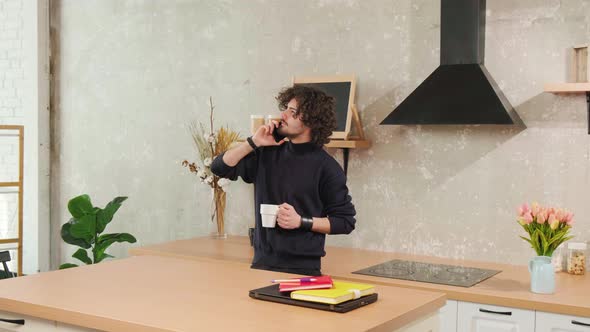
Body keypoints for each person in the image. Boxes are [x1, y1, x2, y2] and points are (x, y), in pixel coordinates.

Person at [211, 85, 356, 276]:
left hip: (303, 270)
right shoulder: (266, 153)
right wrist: (253, 142)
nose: (283, 114)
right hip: (261, 264)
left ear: (312, 120)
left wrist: (301, 221)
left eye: (292, 111)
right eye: (286, 108)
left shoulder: (327, 167)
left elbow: (345, 222)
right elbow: (219, 167)